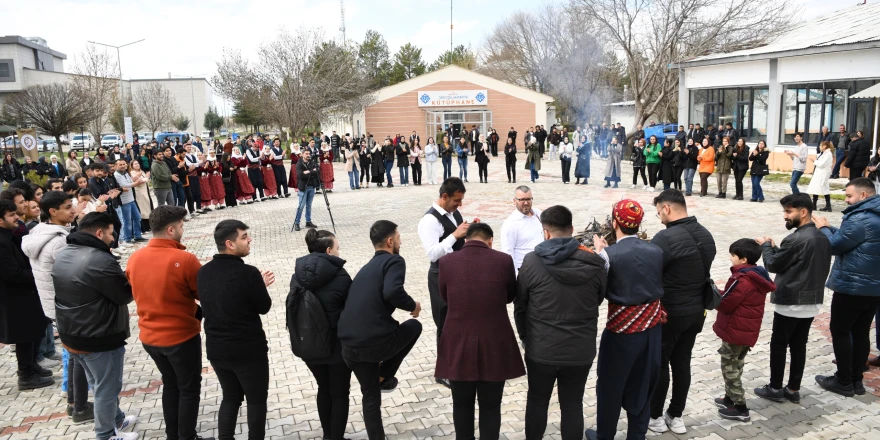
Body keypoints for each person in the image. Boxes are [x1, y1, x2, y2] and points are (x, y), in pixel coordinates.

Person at [515, 205, 606, 440]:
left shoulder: (532, 261)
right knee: (572, 404)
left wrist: (527, 339)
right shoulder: (594, 264)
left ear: (545, 232)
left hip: (541, 348)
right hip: (580, 350)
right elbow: (597, 299)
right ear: (572, 229)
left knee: (537, 400)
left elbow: (520, 306)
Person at [126, 205, 215, 440]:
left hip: (149, 337)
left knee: (171, 384)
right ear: (171, 229)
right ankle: (187, 436)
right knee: (188, 389)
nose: (183, 228)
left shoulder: (135, 258)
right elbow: (203, 293)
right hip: (180, 337)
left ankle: (172, 435)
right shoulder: (184, 259)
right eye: (182, 225)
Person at [52, 211, 139, 439]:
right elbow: (123, 295)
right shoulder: (99, 259)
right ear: (99, 233)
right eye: (111, 234)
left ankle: (117, 419)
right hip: (98, 336)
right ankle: (106, 434)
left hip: (72, 333)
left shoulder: (64, 253)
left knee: (98, 383)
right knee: (106, 389)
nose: (113, 238)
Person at [436, 222, 524, 440]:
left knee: (461, 404)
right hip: (494, 341)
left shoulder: (446, 261)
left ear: (466, 240)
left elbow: (445, 296)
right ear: (491, 241)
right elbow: (510, 296)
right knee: (491, 406)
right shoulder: (504, 260)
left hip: (457, 340)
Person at [337, 220, 423, 440]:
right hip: (374, 344)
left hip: (348, 347)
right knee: (414, 326)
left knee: (371, 395)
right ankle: (385, 374)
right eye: (399, 237)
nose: (401, 241)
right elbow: (393, 292)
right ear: (390, 241)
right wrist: (413, 306)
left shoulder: (366, 268)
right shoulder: (394, 261)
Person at [585, 200, 663, 440]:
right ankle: (636, 435)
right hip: (651, 329)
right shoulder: (657, 251)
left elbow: (599, 291)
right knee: (643, 385)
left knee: (610, 385)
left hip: (620, 332)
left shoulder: (608, 255)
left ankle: (605, 434)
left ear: (615, 222)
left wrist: (601, 255)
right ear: (638, 224)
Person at [198, 220, 274, 440]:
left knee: (230, 397)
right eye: (244, 237)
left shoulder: (204, 272)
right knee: (256, 400)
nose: (249, 240)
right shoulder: (248, 273)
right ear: (230, 244)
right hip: (247, 351)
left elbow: (224, 300)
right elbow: (264, 307)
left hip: (217, 349)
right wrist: (259, 286)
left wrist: (256, 286)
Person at [649, 189, 716, 435]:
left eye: (658, 212)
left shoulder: (665, 238)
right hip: (696, 311)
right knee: (682, 362)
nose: (659, 218)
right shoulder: (706, 234)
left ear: (666, 208)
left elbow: (650, 271)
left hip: (670, 313)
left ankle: (655, 416)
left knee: (660, 363)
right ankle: (676, 416)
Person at [754, 193, 831, 404]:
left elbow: (773, 265)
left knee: (779, 345)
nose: (785, 216)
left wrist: (766, 246)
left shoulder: (795, 238)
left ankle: (776, 387)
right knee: (799, 345)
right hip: (811, 300)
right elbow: (795, 261)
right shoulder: (822, 236)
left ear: (803, 212)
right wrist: (777, 249)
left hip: (790, 301)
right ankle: (793, 389)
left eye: (788, 212)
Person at [812, 178, 880, 397]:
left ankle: (843, 381)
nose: (846, 200)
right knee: (860, 332)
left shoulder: (860, 218)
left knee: (841, 331)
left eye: (849, 196)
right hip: (873, 286)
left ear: (863, 195)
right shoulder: (874, 215)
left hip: (853, 285)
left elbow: (833, 245)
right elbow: (850, 238)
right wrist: (832, 228)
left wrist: (823, 228)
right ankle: (856, 380)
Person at [288, 228, 353, 440]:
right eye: (337, 248)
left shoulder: (297, 275)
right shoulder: (341, 276)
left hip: (309, 346)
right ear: (328, 250)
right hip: (336, 346)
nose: (339, 251)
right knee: (339, 393)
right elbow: (350, 311)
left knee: (323, 388)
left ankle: (328, 436)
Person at [712, 240, 776, 422]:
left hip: (735, 331)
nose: (730, 258)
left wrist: (713, 294)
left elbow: (726, 304)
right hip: (746, 331)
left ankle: (740, 407)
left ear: (743, 259)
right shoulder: (756, 274)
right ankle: (730, 397)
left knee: (729, 367)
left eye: (733, 255)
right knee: (736, 364)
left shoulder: (742, 280)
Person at [417, 177, 469, 387]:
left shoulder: (453, 212)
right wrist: (455, 235)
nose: (460, 205)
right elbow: (433, 254)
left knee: (458, 320)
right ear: (444, 196)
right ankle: (443, 370)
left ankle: (457, 361)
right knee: (444, 322)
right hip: (440, 275)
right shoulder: (429, 221)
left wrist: (468, 230)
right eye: (457, 200)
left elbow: (459, 236)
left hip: (459, 272)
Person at [0, 198, 54, 391]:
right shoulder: (2, 242)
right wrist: (39, 274)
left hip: (27, 293)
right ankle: (26, 375)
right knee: (24, 335)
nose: (17, 217)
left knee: (35, 330)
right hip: (15, 298)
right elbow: (11, 273)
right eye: (12, 215)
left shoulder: (11, 235)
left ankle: (32, 365)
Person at [22, 191, 76, 373]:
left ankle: (71, 389)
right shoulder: (58, 241)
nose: (73, 211)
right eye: (68, 208)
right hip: (65, 303)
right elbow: (71, 275)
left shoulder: (39, 233)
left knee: (71, 347)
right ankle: (73, 390)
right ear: (53, 211)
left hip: (52, 302)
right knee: (75, 349)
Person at [501, 186, 543, 275]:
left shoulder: (538, 214)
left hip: (542, 268)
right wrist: (516, 277)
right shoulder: (510, 224)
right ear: (514, 201)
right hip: (525, 271)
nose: (526, 203)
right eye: (522, 200)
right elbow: (507, 253)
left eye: (528, 199)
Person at [113, 159, 145, 245]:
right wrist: (137, 183)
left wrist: (136, 182)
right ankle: (127, 238)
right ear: (116, 166)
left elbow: (130, 183)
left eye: (124, 164)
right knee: (127, 220)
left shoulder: (126, 173)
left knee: (137, 218)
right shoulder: (116, 175)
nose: (123, 166)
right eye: (120, 165)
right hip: (124, 201)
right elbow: (125, 186)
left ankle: (137, 236)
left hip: (131, 199)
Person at [294, 148, 320, 232]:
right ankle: (297, 223)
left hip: (311, 187)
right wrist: (312, 172)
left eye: (309, 153)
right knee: (301, 206)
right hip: (303, 187)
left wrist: (308, 172)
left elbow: (318, 172)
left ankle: (308, 221)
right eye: (306, 153)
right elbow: (301, 175)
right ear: (302, 154)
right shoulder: (299, 163)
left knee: (309, 206)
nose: (308, 155)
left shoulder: (312, 162)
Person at [807, 141, 835, 212]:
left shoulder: (828, 154)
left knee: (824, 188)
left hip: (823, 174)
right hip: (819, 173)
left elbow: (822, 164)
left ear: (825, 146)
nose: (819, 147)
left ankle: (828, 206)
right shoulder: (823, 154)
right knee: (816, 188)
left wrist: (814, 161)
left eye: (820, 145)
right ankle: (814, 205)